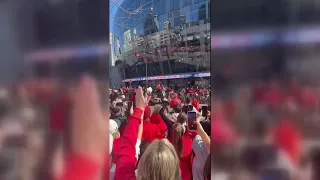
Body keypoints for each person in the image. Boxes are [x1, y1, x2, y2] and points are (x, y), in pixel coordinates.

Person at [115, 87, 181, 180]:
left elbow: (126, 147)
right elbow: (164, 128)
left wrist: (138, 111)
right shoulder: (155, 127)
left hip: (141, 156)